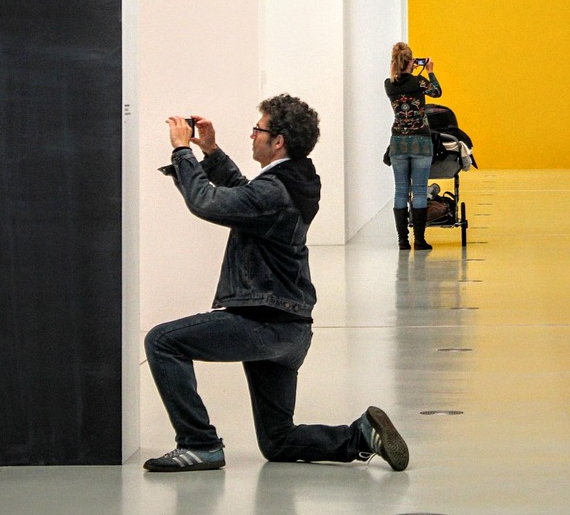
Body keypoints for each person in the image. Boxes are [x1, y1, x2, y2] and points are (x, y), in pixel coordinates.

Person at [143, 93, 409, 473]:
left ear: (278, 140)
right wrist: (212, 152)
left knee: (162, 342)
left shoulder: (274, 191)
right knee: (278, 439)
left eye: (258, 129)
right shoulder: (293, 179)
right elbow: (244, 195)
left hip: (264, 323)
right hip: (290, 329)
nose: (252, 136)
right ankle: (361, 436)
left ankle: (198, 443)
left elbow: (207, 202)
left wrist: (182, 151)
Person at [384, 43, 442, 251]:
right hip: (421, 142)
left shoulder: (389, 84)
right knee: (419, 191)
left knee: (400, 190)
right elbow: (437, 92)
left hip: (398, 142)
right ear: (411, 62)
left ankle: (402, 241)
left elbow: (401, 79)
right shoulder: (419, 82)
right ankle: (419, 240)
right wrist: (430, 71)